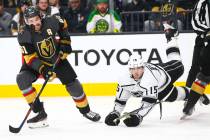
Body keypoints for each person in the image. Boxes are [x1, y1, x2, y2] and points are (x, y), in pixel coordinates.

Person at [16, 6, 101, 128]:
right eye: (31, 21)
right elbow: (30, 58)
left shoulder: (52, 20)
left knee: (74, 84)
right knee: (22, 79)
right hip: (37, 62)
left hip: (56, 58)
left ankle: (86, 111)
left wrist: (65, 42)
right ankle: (40, 113)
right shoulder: (23, 34)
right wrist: (43, 70)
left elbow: (63, 24)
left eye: (36, 19)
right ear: (26, 22)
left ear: (40, 16)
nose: (35, 23)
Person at [105, 24, 190, 127]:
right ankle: (192, 93)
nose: (136, 71)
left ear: (143, 67)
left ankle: (171, 36)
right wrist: (115, 113)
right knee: (173, 96)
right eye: (133, 69)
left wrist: (138, 116)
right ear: (129, 69)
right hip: (160, 88)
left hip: (164, 74)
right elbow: (120, 100)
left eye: (139, 68)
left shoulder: (149, 79)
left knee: (178, 64)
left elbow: (148, 103)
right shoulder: (124, 80)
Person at [182, 0, 210, 118]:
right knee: (196, 69)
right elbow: (195, 22)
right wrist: (208, 31)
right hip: (203, 40)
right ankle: (190, 100)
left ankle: (191, 100)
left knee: (203, 74)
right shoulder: (202, 3)